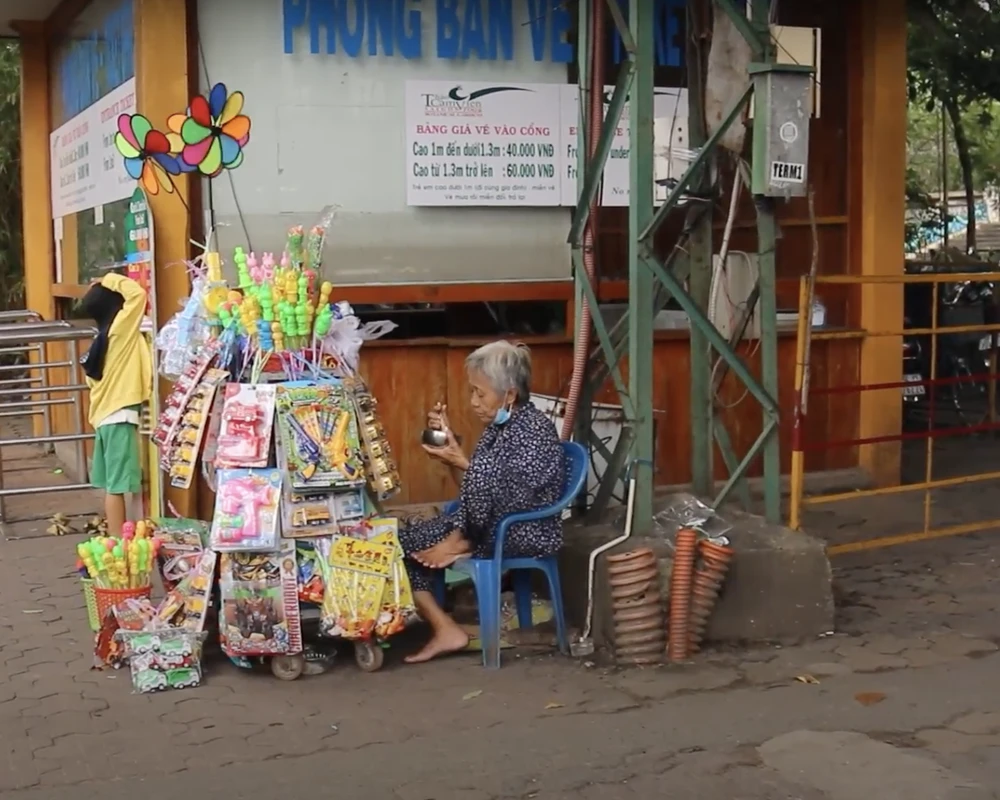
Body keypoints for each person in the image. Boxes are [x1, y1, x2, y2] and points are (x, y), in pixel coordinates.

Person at [399, 340, 565, 663]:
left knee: (482, 469)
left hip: (521, 530)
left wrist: (465, 464)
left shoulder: (533, 432)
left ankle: (461, 541)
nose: (473, 402)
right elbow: (474, 490)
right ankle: (445, 627)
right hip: (485, 522)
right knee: (400, 544)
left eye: (480, 393)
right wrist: (453, 459)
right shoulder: (497, 428)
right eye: (472, 392)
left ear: (510, 395)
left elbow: (512, 497)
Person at [79, 273, 152, 538]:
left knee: (114, 485)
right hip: (119, 417)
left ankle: (118, 539)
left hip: (105, 418)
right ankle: (120, 544)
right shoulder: (119, 330)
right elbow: (137, 294)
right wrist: (109, 278)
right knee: (118, 486)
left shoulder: (100, 341)